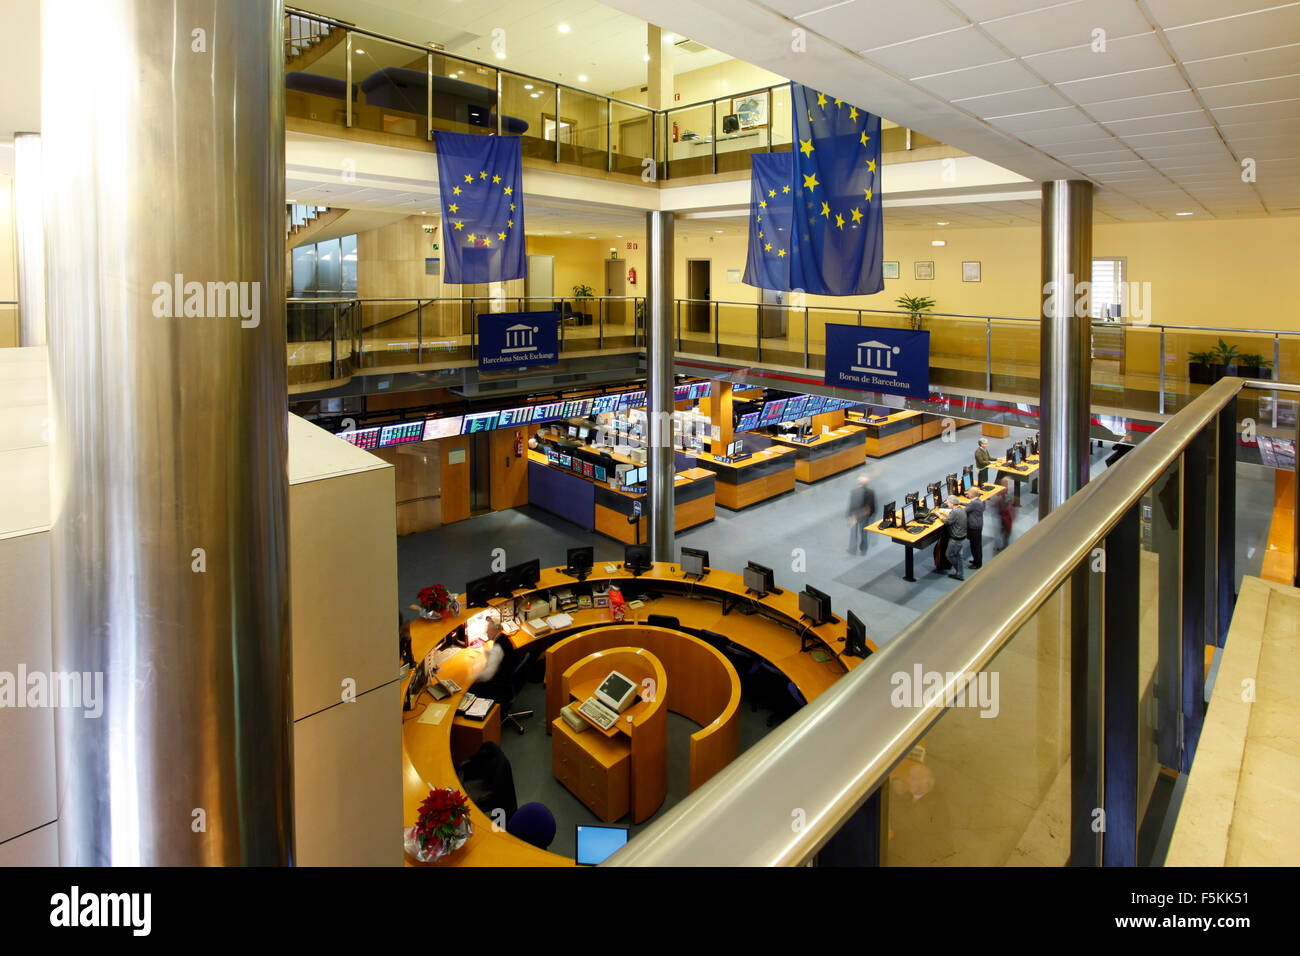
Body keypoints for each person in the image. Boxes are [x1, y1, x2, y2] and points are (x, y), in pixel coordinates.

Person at [847, 474, 876, 555]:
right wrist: (871, 515)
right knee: (863, 533)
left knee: (853, 534)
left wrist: (850, 516)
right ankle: (863, 549)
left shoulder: (854, 492)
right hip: (864, 516)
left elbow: (851, 505)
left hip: (855, 515)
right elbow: (872, 506)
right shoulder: (871, 492)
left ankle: (852, 550)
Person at [942, 495, 968, 580]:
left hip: (956, 539)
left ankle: (959, 572)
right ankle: (960, 573)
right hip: (962, 536)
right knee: (959, 555)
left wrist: (939, 515)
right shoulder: (961, 509)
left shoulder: (954, 512)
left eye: (948, 503)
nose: (948, 504)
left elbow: (947, 521)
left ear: (952, 504)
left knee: (949, 555)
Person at [965, 493, 986, 569]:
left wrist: (955, 508)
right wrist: (960, 503)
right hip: (978, 526)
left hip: (974, 527)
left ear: (972, 494)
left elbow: (964, 510)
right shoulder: (977, 501)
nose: (967, 493)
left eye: (969, 492)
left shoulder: (974, 503)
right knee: (977, 545)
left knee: (975, 546)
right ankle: (977, 560)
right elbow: (969, 505)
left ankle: (977, 564)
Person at [995, 478, 1016, 551]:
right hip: (1004, 518)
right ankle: (1004, 545)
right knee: (1003, 531)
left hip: (1007, 518)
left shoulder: (1007, 498)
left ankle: (1004, 547)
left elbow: (1008, 508)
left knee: (1006, 533)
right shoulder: (1004, 497)